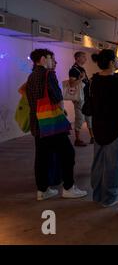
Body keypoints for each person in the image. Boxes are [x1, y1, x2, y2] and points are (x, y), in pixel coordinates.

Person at [26, 49, 87, 201]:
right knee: (68, 153)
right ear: (42, 59)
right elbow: (57, 97)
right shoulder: (49, 74)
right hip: (51, 123)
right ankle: (68, 188)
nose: (55, 62)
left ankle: (42, 190)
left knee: (41, 157)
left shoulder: (31, 76)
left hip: (37, 123)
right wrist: (62, 111)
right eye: (51, 58)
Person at [89, 49, 118, 207]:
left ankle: (97, 194)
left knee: (98, 161)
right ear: (112, 63)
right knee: (113, 163)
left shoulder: (95, 80)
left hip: (98, 126)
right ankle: (109, 196)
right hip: (115, 127)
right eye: (117, 60)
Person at [69, 51, 94, 146]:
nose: (85, 59)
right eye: (83, 57)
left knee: (89, 117)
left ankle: (92, 137)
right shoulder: (73, 70)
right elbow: (72, 84)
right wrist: (81, 78)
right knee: (80, 118)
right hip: (80, 98)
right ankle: (77, 139)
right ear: (77, 58)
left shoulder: (80, 69)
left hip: (86, 97)